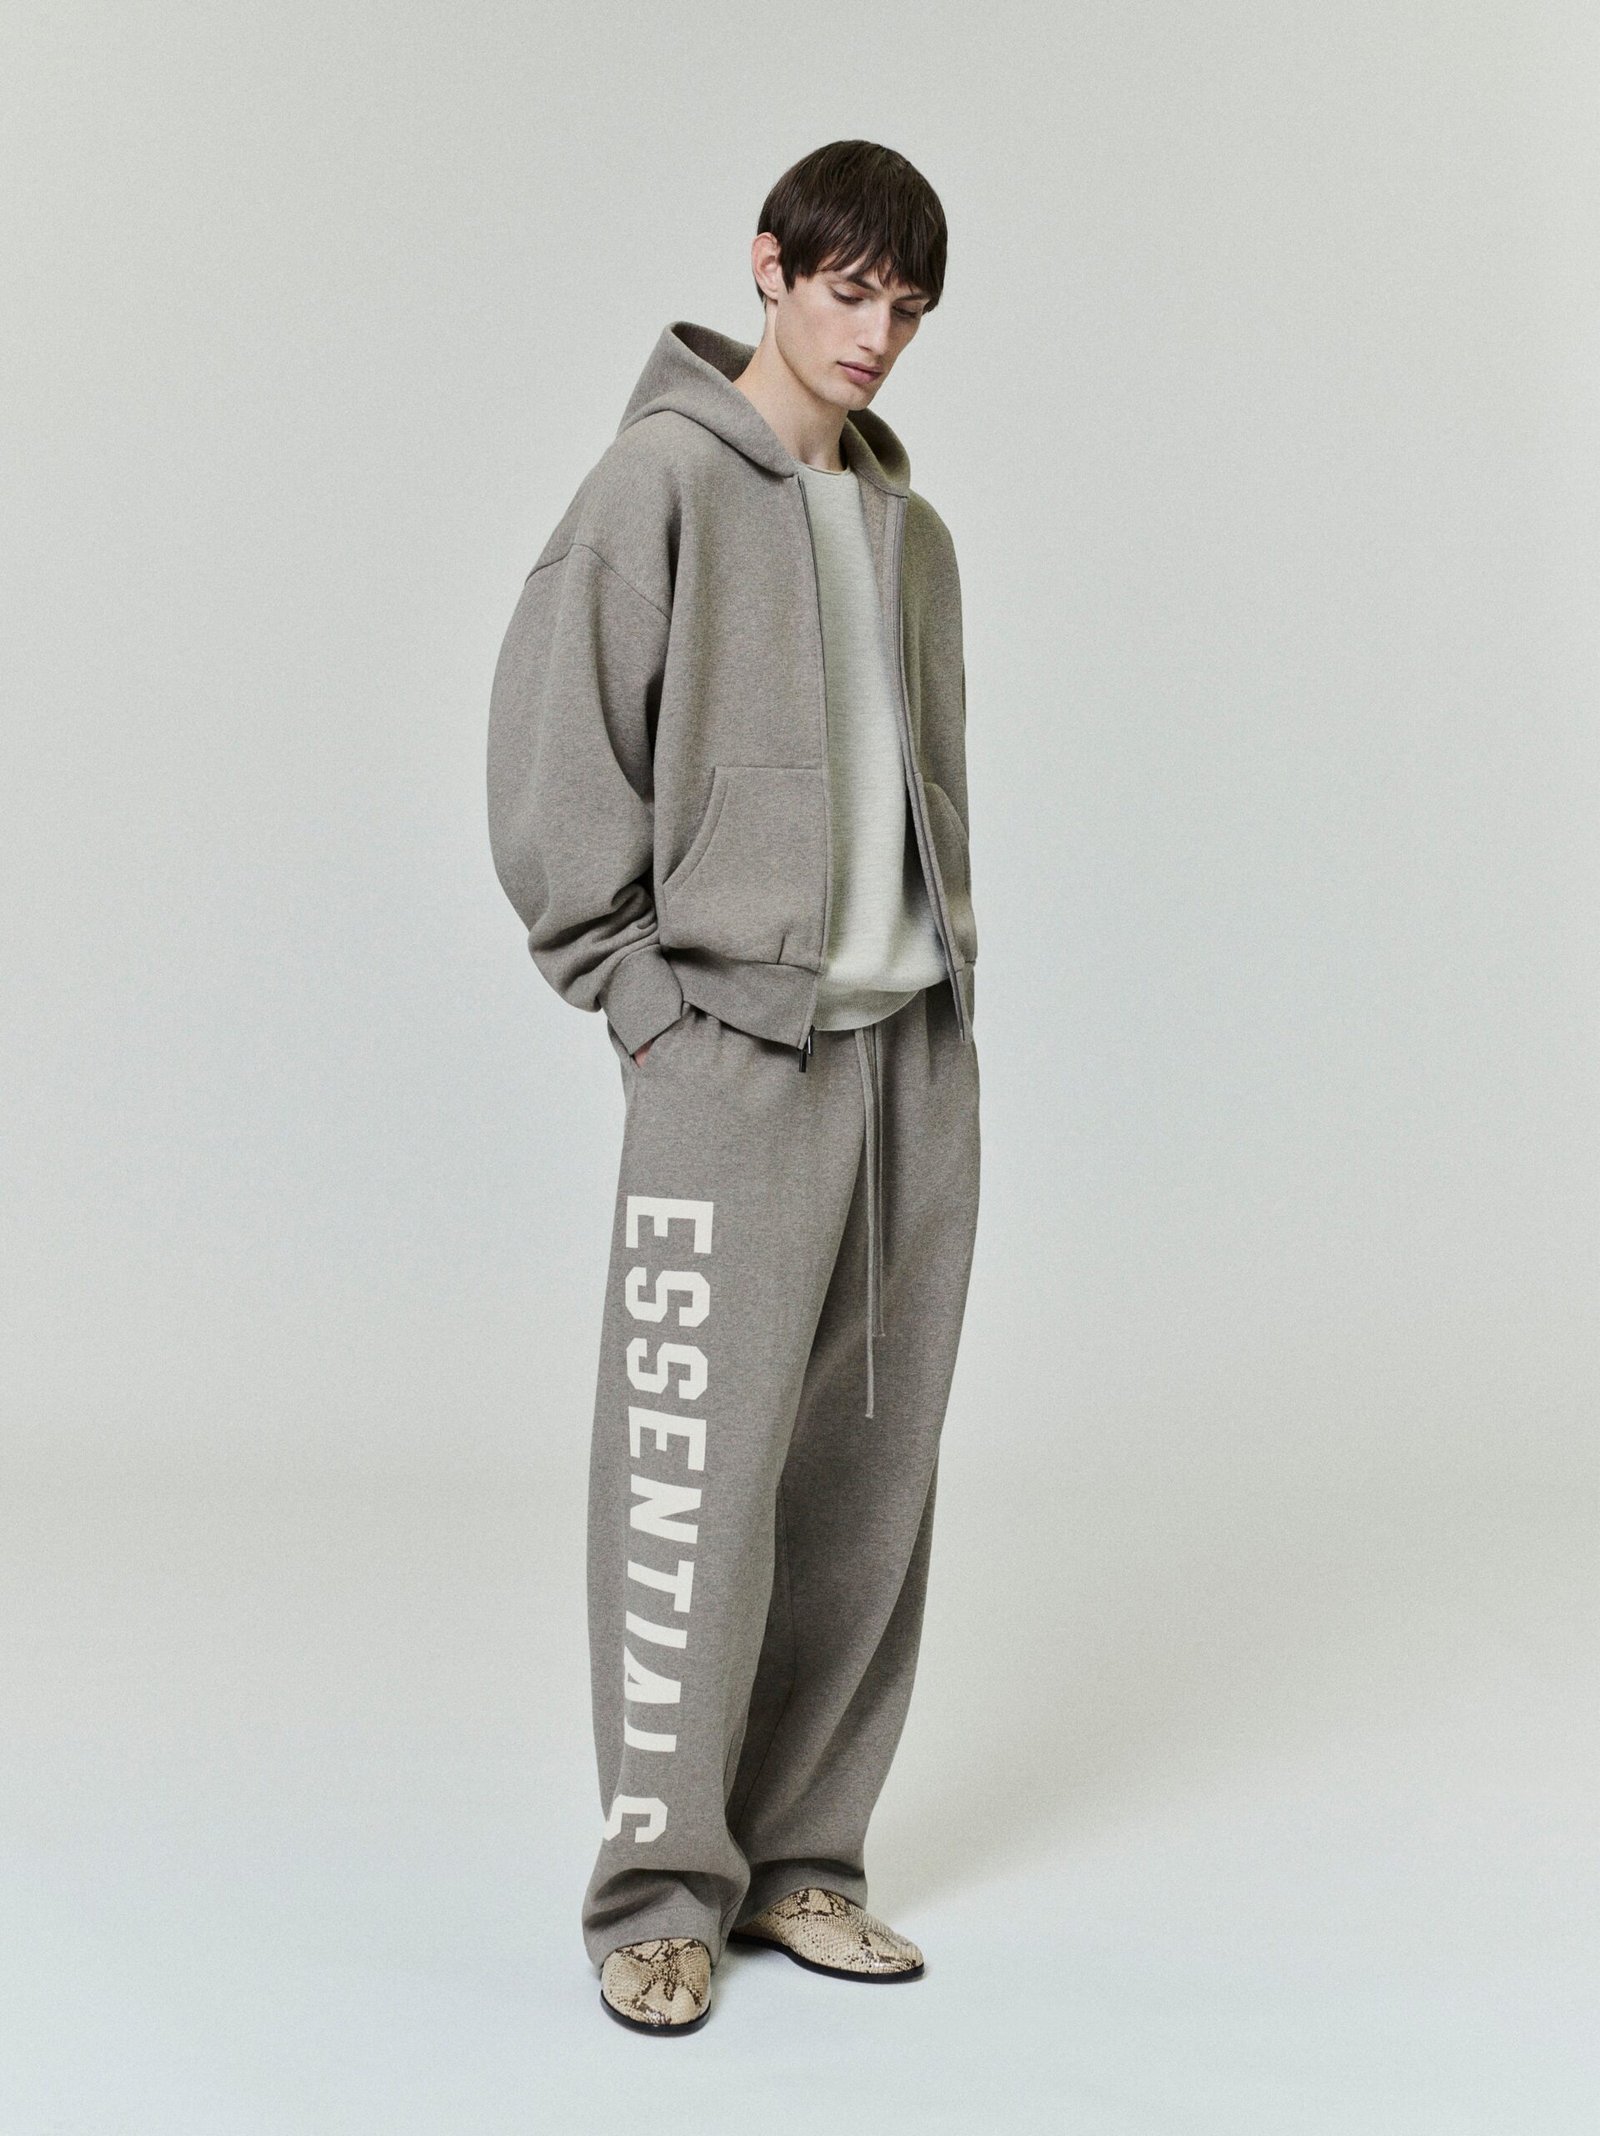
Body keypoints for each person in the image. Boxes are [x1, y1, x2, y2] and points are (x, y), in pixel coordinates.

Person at [486, 138, 981, 2035]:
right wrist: (637, 999)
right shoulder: (659, 486)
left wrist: (944, 986)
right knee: (691, 1474)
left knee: (868, 1477)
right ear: (767, 267)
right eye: (849, 291)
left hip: (906, 1056)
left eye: (906, 308)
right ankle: (655, 1892)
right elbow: (555, 762)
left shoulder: (913, 537)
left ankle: (803, 1861)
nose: (876, 335)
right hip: (730, 1056)